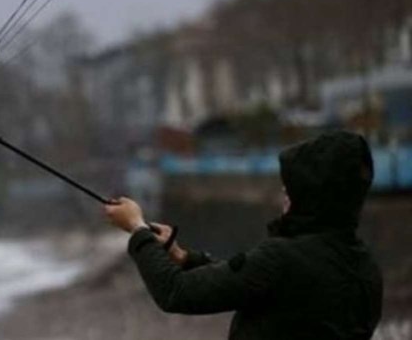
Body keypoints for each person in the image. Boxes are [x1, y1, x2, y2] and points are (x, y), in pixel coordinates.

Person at [104, 131, 383, 339]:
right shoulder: (365, 268)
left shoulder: (281, 260)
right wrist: (184, 257)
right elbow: (255, 284)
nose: (284, 194)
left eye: (292, 188)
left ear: (313, 196)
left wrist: (137, 228)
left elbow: (176, 292)